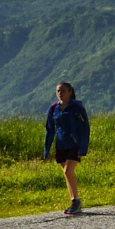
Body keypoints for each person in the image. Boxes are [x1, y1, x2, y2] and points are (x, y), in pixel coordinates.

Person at [43, 82, 90, 216]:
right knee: (66, 173)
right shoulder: (53, 109)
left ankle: (75, 201)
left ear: (70, 92)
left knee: (68, 170)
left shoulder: (76, 107)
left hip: (75, 144)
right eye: (58, 91)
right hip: (61, 144)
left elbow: (85, 128)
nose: (60, 93)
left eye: (63, 91)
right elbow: (49, 129)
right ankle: (74, 201)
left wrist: (83, 148)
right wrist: (46, 149)